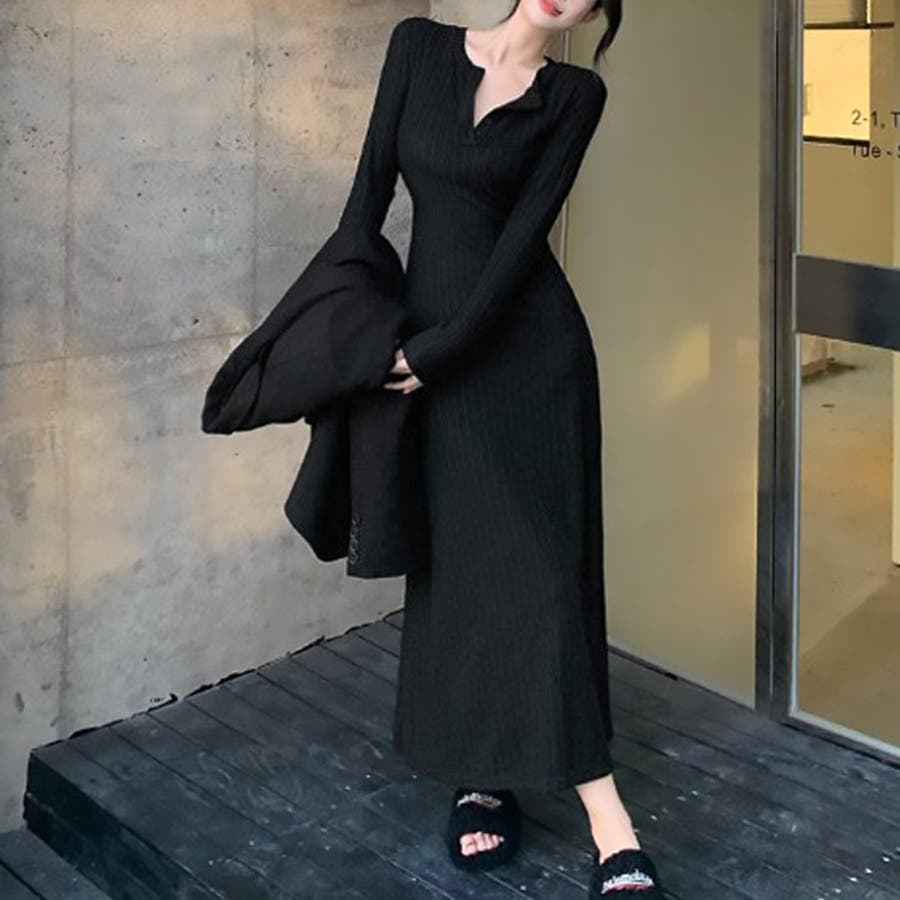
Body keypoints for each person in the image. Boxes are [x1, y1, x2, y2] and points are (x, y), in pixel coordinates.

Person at [337, 1, 665, 895]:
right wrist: (344, 331)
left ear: (600, 9)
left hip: (525, 358)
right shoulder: (418, 49)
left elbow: (522, 247)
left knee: (544, 572)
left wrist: (439, 354)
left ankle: (609, 821)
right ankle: (481, 775)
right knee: (461, 563)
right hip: (425, 353)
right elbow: (365, 203)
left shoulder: (575, 96)